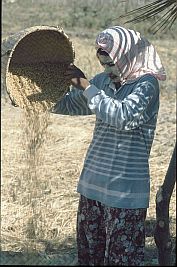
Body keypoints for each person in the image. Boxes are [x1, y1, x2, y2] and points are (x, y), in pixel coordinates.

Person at [51, 26, 166, 266]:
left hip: (125, 194)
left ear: (128, 56)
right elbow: (73, 105)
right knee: (90, 258)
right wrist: (39, 96)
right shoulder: (102, 82)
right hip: (92, 186)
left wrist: (85, 85)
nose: (109, 71)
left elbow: (123, 116)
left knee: (121, 260)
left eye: (113, 64)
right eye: (104, 65)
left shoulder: (146, 85)